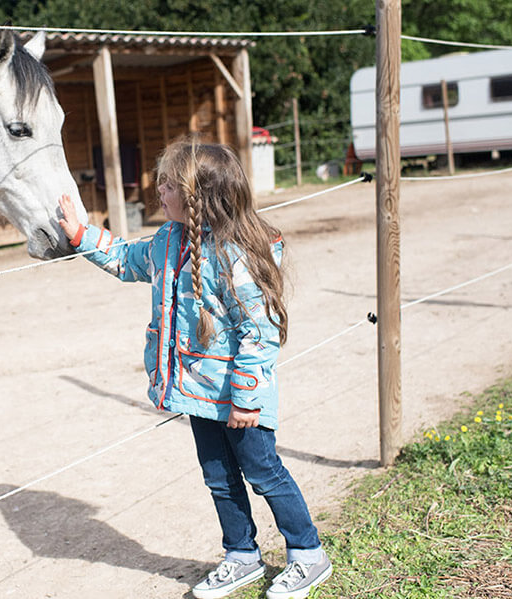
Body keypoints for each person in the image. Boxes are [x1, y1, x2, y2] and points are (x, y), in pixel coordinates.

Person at [57, 141, 332, 599]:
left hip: (240, 398)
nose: (158, 189)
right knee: (218, 476)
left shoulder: (235, 254)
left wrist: (245, 396)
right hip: (198, 393)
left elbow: (259, 330)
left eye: (169, 184)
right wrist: (83, 235)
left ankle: (307, 553)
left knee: (264, 473)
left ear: (198, 196)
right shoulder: (168, 241)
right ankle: (241, 554)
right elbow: (128, 260)